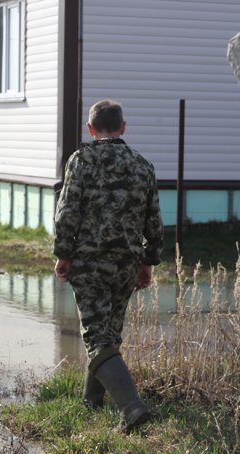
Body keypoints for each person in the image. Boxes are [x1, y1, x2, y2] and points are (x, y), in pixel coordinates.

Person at [53, 99, 163, 433]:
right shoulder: (143, 165)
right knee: (109, 333)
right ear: (123, 128)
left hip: (90, 262)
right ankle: (92, 402)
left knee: (98, 337)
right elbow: (154, 220)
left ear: (90, 129)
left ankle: (131, 408)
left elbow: (67, 210)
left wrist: (63, 253)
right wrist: (148, 261)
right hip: (126, 263)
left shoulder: (81, 160)